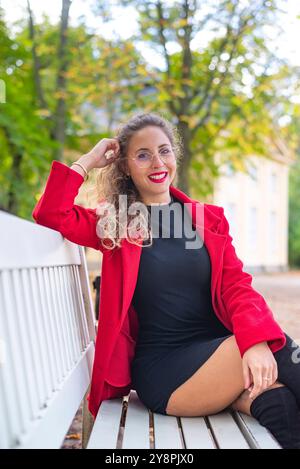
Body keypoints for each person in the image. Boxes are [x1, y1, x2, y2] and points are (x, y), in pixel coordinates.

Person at [32, 112, 300, 449]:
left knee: (280, 403)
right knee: (277, 345)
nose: (157, 162)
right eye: (142, 154)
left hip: (218, 362)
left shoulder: (207, 220)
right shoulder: (116, 223)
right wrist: (88, 160)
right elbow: (49, 213)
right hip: (167, 371)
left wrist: (254, 341)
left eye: (164, 150)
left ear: (174, 155)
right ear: (125, 166)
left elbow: (237, 287)